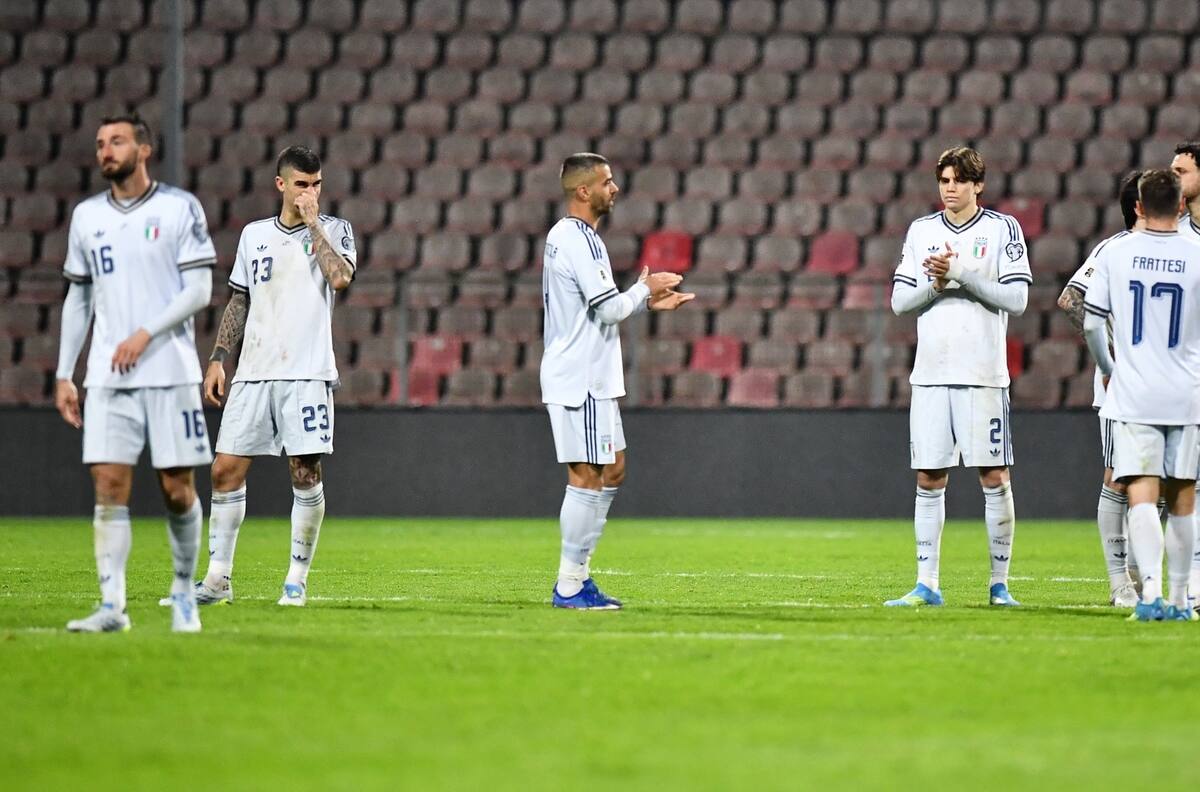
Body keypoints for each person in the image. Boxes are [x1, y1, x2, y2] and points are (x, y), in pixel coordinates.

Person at [55, 114, 216, 632]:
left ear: (144, 150)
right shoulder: (86, 217)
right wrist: (65, 372)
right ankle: (112, 607)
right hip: (108, 376)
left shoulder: (178, 208)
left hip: (170, 370)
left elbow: (200, 290)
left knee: (177, 489)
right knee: (108, 484)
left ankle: (184, 590)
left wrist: (145, 334)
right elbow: (79, 297)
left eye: (118, 141)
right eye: (101, 143)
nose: (106, 150)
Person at [189, 145, 355, 607]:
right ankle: (218, 580)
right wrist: (219, 357)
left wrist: (314, 224)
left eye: (316, 184)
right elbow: (240, 299)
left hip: (306, 372)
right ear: (281, 184)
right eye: (301, 184)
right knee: (224, 470)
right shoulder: (254, 235)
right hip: (254, 371)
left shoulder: (336, 229)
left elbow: (340, 278)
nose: (310, 193)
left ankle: (296, 580)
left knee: (304, 473)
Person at [540, 153, 693, 609]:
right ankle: (570, 584)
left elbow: (601, 306)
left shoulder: (572, 236)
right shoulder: (578, 240)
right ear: (583, 190)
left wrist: (642, 301)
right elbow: (607, 309)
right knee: (586, 476)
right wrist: (645, 289)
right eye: (607, 182)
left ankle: (579, 576)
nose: (615, 188)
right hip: (581, 375)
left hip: (592, 376)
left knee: (613, 469)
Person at [885, 146, 1031, 608]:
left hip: (983, 374)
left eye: (959, 181)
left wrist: (962, 273)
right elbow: (899, 302)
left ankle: (999, 585)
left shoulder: (1002, 229)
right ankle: (926, 583)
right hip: (931, 373)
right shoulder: (922, 231)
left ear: (978, 185)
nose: (950, 189)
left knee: (994, 475)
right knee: (929, 476)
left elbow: (1017, 300)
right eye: (944, 181)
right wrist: (936, 285)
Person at [1082, 169, 1200, 621]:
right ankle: (1181, 599)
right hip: (1186, 394)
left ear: (1138, 206)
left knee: (1142, 495)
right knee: (1184, 497)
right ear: (1181, 205)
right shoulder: (1196, 254)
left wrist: (1110, 370)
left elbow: (1092, 323)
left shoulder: (1117, 253)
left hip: (1135, 394)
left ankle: (1149, 593)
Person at [1056, 171, 1144, 607]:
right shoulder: (1114, 249)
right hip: (1123, 386)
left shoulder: (1182, 247)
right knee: (1119, 478)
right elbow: (1071, 300)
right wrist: (1111, 358)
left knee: (1159, 483)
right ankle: (1119, 582)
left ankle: (1140, 577)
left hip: (1170, 382)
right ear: (1138, 206)